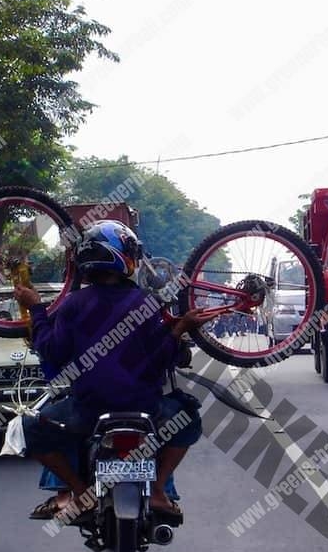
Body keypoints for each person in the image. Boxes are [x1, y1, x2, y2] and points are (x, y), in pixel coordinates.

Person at [13, 220, 217, 520]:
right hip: (147, 410)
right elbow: (162, 359)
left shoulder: (73, 305)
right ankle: (159, 491)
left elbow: (51, 350)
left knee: (27, 430)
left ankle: (80, 493)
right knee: (189, 421)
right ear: (125, 257)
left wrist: (37, 309)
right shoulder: (147, 303)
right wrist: (181, 328)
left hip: (87, 413)